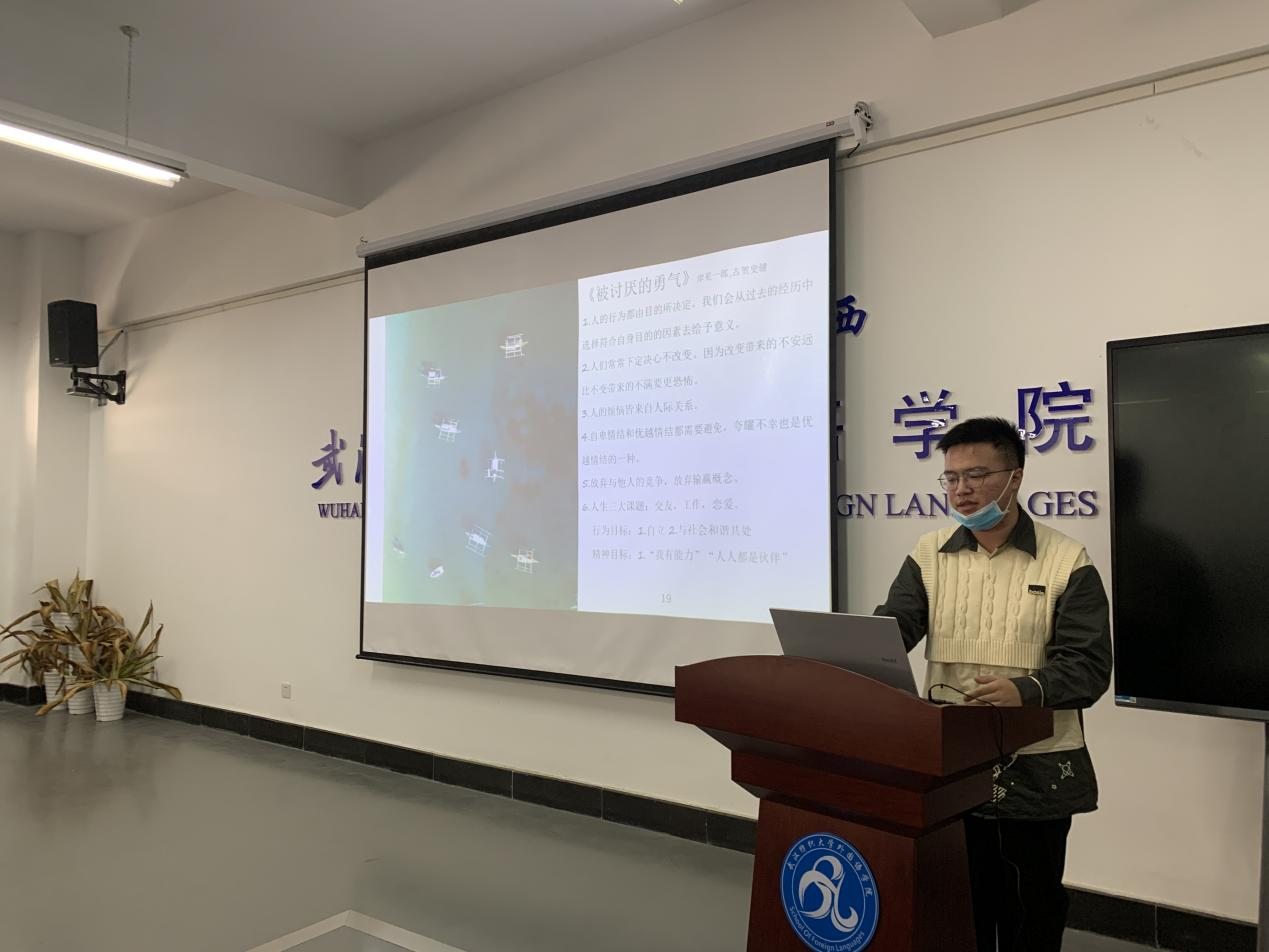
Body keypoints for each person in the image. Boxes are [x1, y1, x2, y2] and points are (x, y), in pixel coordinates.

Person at [875, 416, 1112, 952]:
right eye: (952, 477)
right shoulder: (929, 553)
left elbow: (1089, 666)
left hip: (1036, 767)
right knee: (961, 901)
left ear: (1015, 477)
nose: (962, 489)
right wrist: (854, 651)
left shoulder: (1067, 560)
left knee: (1031, 905)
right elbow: (894, 628)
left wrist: (1023, 691)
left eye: (977, 475)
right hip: (951, 759)